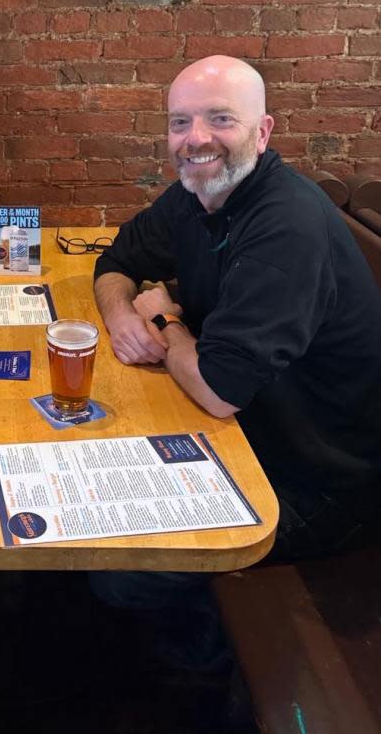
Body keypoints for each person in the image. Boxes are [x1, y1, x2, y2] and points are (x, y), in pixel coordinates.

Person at [91, 55, 381, 668]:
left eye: (220, 119)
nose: (196, 139)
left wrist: (165, 321)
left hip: (319, 482)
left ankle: (197, 669)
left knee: (118, 569)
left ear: (264, 131)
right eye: (180, 123)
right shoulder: (199, 194)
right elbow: (117, 257)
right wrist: (122, 317)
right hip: (243, 437)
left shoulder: (284, 226)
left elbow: (219, 389)